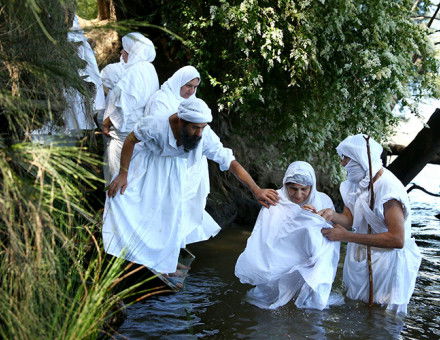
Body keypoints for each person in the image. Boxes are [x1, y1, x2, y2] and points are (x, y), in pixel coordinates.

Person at [103, 98, 279, 274]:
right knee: (124, 199)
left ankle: (164, 263)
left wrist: (256, 189)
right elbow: (131, 140)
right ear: (180, 121)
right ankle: (121, 251)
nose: (199, 133)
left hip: (174, 175)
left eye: (202, 127)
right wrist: (123, 173)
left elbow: (230, 162)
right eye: (195, 127)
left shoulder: (204, 134)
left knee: (169, 217)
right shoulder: (155, 124)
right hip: (147, 166)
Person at [319, 134, 421, 315]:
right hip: (359, 259)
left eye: (346, 158)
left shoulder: (389, 190)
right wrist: (332, 215)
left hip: (386, 266)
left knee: (381, 316)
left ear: (361, 159)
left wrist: (346, 237)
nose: (342, 163)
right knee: (355, 311)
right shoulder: (354, 185)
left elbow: (397, 240)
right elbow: (349, 220)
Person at [235, 161, 340, 310]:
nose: (298, 195)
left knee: (309, 303)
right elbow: (267, 235)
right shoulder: (275, 199)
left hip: (310, 255)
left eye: (304, 189)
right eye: (293, 189)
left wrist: (314, 218)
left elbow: (331, 237)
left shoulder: (323, 200)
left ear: (312, 187)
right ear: (285, 185)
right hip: (282, 255)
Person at [145, 66, 218, 244]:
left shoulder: (194, 102)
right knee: (165, 205)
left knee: (185, 207)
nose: (190, 91)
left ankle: (177, 246)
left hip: (190, 163)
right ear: (178, 82)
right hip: (165, 163)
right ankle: (159, 247)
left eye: (194, 87)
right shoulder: (161, 99)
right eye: (187, 85)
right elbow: (161, 131)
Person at [102, 32, 159, 183]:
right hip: (139, 133)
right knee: (133, 178)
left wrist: (106, 123)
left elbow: (122, 105)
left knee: (116, 176)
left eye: (125, 50)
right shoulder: (150, 70)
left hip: (124, 133)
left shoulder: (135, 72)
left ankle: (113, 203)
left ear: (134, 52)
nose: (121, 52)